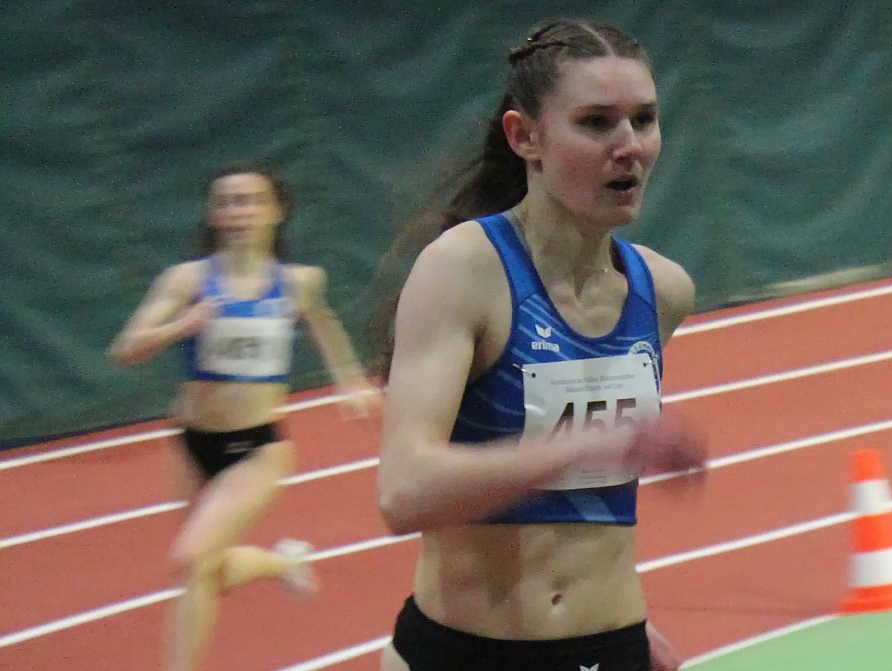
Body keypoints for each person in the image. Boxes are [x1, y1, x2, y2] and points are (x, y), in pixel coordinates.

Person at [370, 18, 708, 671]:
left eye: (644, 119)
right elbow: (403, 491)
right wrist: (579, 445)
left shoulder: (663, 290)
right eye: (596, 122)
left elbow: (589, 499)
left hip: (609, 646)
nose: (629, 145)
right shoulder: (465, 271)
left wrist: (612, 619)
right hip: (468, 652)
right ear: (525, 137)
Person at [108, 160, 379, 670]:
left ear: (274, 211)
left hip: (257, 447)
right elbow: (125, 349)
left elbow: (325, 326)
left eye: (250, 200)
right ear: (213, 215)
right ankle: (282, 560)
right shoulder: (186, 280)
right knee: (206, 571)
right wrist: (180, 326)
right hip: (191, 441)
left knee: (190, 560)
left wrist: (350, 380)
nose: (238, 212)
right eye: (227, 202)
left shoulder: (299, 281)